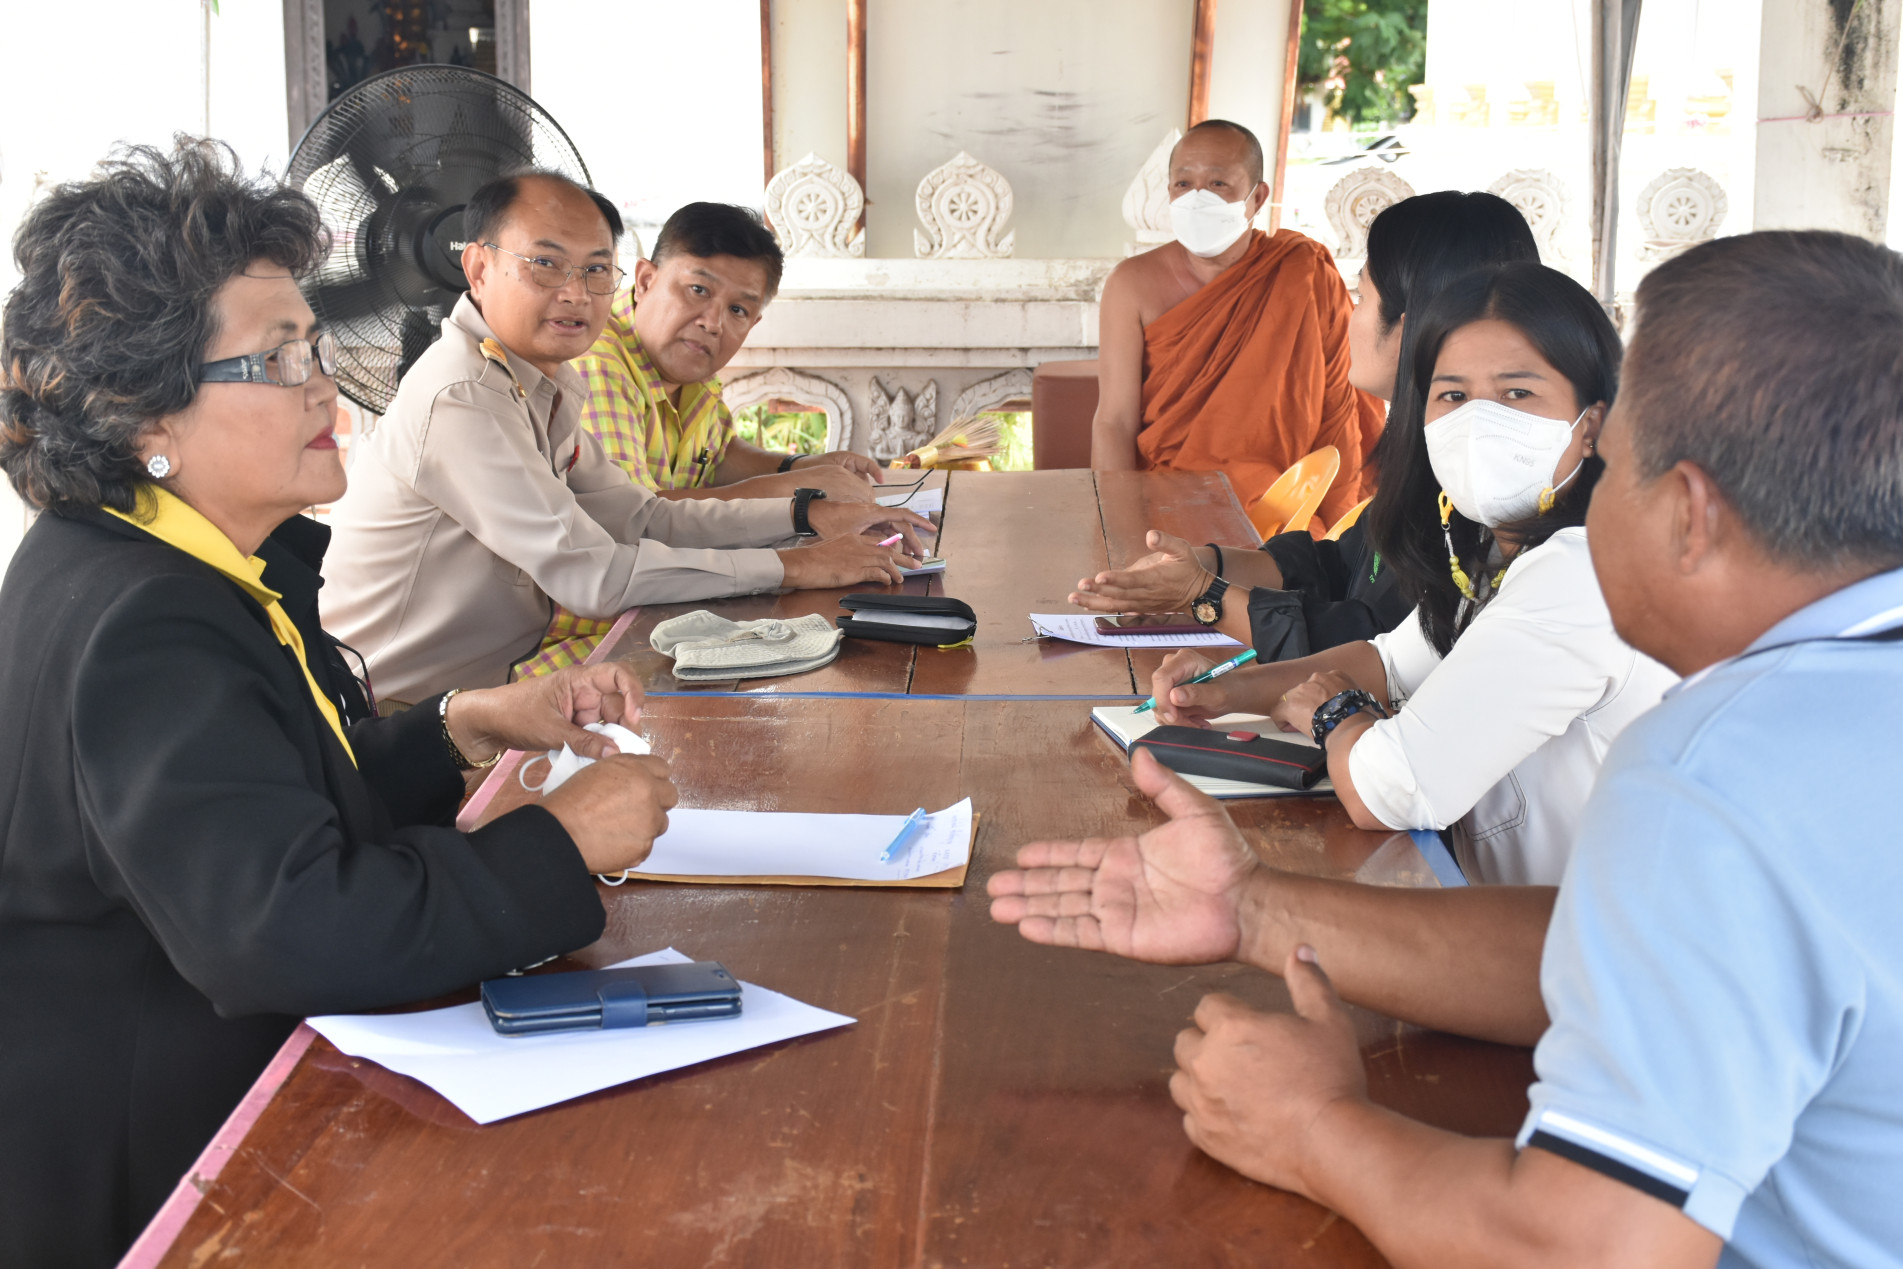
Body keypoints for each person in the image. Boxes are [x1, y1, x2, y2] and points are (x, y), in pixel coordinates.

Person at [1008, 229, 1903, 1267]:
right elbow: (1615, 952)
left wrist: (1312, 1128)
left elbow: (1577, 1251)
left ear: (1690, 513)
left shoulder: (1716, 767)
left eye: (1609, 470)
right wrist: (1250, 908)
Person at [0, 141, 679, 1268]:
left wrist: (465, 724)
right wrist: (556, 840)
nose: (326, 385)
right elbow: (289, 928)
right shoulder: (147, 624)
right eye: (274, 361)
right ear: (146, 414)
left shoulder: (159, 561)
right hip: (162, 1169)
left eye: (313, 343)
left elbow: (256, 799)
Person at [1142, 263, 1673, 887]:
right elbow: (1392, 663)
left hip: (1575, 956)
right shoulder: (1486, 548)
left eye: (1517, 394)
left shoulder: (1585, 574)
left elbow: (1388, 791)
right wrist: (1228, 692)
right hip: (1498, 916)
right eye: (1452, 395)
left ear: (1593, 425)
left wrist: (1335, 714)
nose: (1478, 423)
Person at [320, 170, 932, 703]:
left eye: (593, 271)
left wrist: (808, 514)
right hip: (406, 715)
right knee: (729, 694)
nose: (575, 294)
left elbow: (642, 516)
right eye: (546, 264)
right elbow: (594, 577)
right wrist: (796, 565)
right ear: (479, 268)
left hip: (485, 684)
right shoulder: (465, 394)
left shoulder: (541, 382)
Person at [1071, 191, 1539, 659]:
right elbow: (1337, 564)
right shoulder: (1428, 452)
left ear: (1409, 323)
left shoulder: (1487, 483)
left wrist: (1205, 598)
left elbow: (1379, 643)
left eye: (1361, 296)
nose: (1350, 318)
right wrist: (1207, 564)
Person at [1091, 119, 1383, 523]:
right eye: (1183, 184)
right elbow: (1115, 420)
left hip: (1284, 504)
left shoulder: (1304, 273)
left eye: (1217, 184)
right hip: (1167, 505)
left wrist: (1333, 530)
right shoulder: (1132, 285)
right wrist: (1117, 524)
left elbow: (1336, 411)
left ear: (1257, 197)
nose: (1197, 198)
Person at [575, 201, 883, 503]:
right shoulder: (596, 364)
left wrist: (804, 465)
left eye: (737, 309)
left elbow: (715, 458)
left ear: (753, 322)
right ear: (645, 280)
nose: (713, 324)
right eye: (698, 290)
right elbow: (634, 515)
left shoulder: (688, 362)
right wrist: (796, 487)